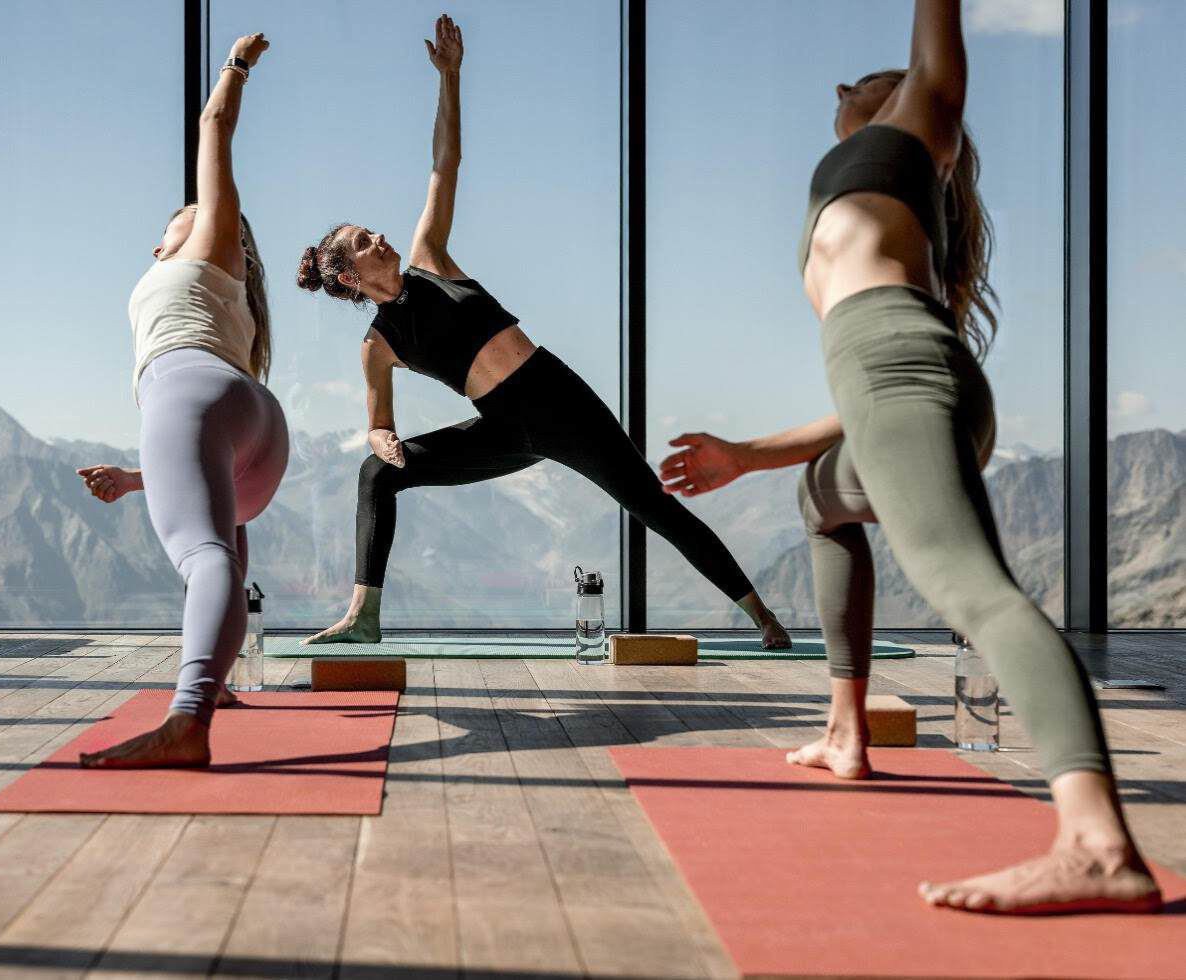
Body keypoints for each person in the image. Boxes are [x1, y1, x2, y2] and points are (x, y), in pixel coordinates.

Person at [659, 1, 1160, 913]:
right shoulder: (878, 177)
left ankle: (1096, 841)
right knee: (823, 496)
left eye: (877, 75)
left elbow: (890, 385)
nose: (847, 83)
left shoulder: (917, 127)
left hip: (903, 379)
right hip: (902, 388)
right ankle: (846, 733)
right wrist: (743, 454)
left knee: (978, 592)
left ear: (914, 98)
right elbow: (870, 408)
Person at [296, 14, 790, 649]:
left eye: (374, 230)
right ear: (348, 277)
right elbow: (380, 420)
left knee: (652, 507)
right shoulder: (377, 345)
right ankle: (363, 616)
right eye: (365, 242)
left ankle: (764, 618)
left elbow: (445, 162)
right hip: (501, 428)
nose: (381, 237)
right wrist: (382, 437)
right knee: (375, 474)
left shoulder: (430, 257)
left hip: (559, 400)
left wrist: (450, 78)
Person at [75, 32, 288, 768]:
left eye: (176, 219)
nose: (165, 229)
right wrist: (137, 479)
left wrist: (234, 64)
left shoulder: (209, 244)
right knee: (222, 541)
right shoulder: (226, 293)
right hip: (255, 424)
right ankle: (217, 680)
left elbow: (214, 128)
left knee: (203, 556)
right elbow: (200, 454)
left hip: (192, 394)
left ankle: (188, 719)